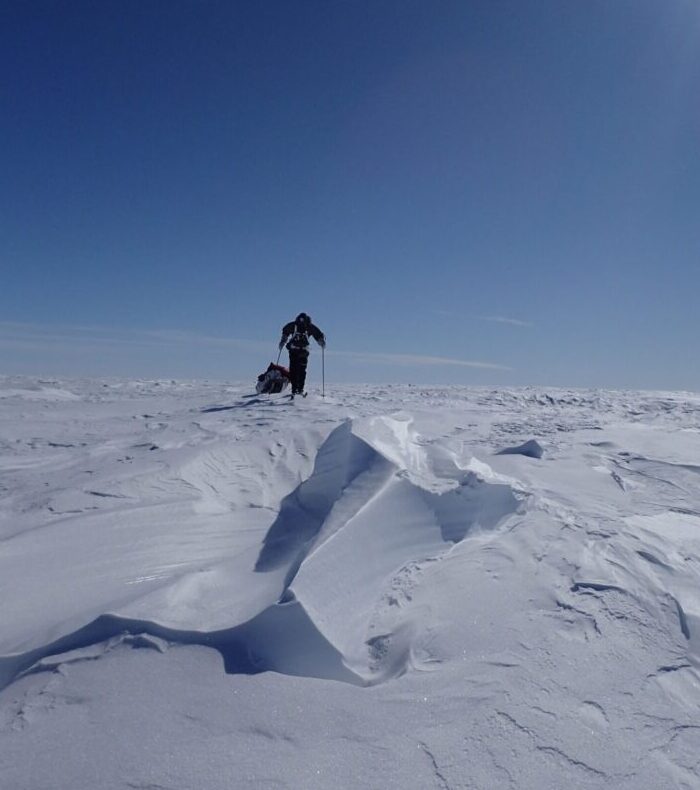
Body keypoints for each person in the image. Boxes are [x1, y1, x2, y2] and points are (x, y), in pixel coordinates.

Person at [278, 313, 325, 396]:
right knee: (300, 370)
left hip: (294, 350)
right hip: (303, 351)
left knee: (295, 370)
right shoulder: (309, 326)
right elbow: (318, 334)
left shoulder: (295, 325)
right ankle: (298, 390)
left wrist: (283, 341)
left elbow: (285, 331)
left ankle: (296, 390)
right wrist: (321, 342)